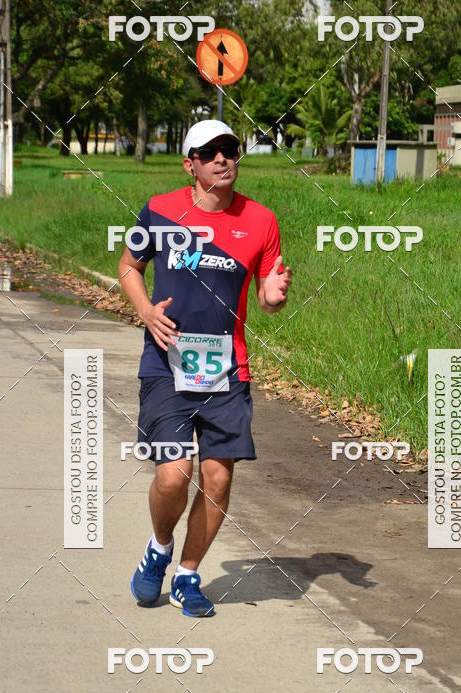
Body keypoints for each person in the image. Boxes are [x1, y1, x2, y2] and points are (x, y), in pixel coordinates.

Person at [118, 120, 292, 617]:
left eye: (230, 150)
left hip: (226, 370)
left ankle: (188, 576)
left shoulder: (261, 220)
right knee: (174, 474)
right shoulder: (158, 210)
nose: (223, 158)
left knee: (217, 478)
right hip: (165, 363)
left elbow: (266, 294)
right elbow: (129, 265)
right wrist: (146, 311)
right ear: (189, 163)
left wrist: (275, 297)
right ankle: (158, 549)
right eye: (210, 151)